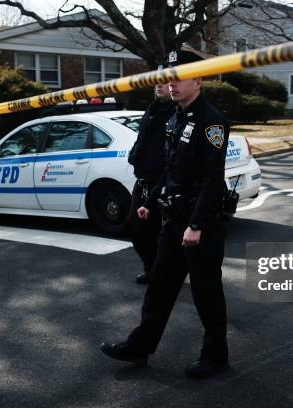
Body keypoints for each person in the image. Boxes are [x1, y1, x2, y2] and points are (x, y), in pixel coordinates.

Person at [101, 49, 231, 379]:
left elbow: (213, 179)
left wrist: (197, 224)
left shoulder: (211, 121)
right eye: (168, 77)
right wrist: (152, 199)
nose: (170, 83)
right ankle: (139, 346)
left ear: (198, 80)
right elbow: (171, 168)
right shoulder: (175, 117)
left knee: (206, 294)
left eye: (178, 77)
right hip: (172, 222)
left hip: (199, 226)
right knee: (158, 289)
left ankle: (215, 356)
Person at [127, 83, 176, 284]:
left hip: (164, 181)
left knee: (163, 235)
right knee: (137, 231)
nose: (159, 85)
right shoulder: (153, 108)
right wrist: (135, 153)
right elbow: (143, 138)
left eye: (165, 81)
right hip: (143, 180)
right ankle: (151, 268)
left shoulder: (177, 112)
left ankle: (165, 274)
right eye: (157, 80)